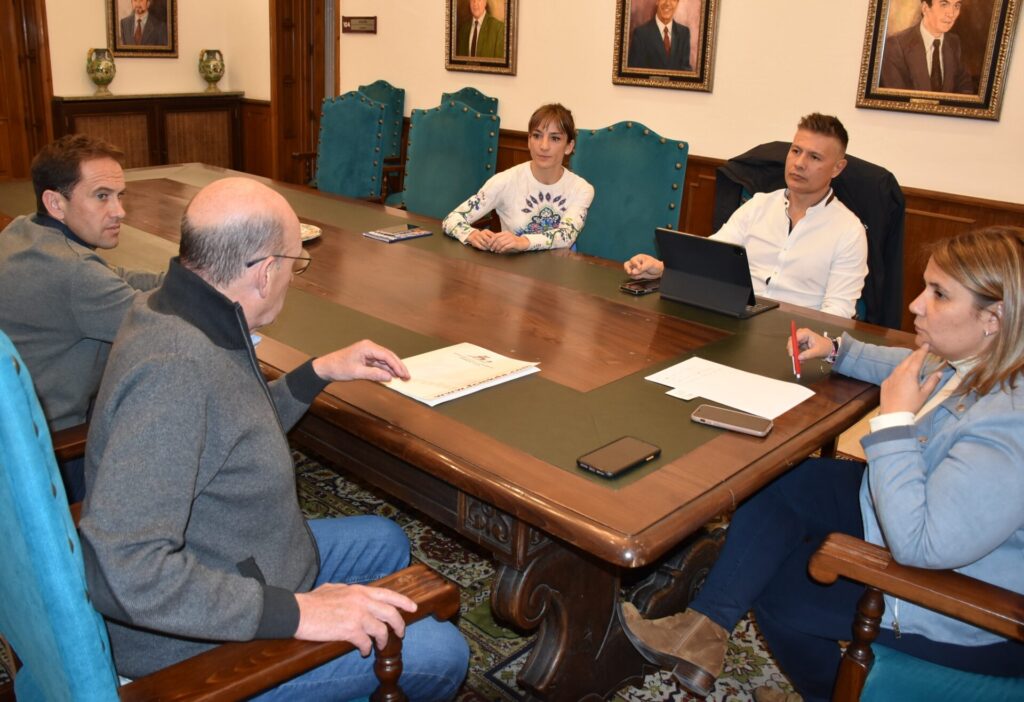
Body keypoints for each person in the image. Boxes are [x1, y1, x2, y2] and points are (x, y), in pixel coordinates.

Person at [78, 177, 469, 699]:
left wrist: (317, 372)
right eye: (294, 264)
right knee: (442, 654)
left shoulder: (178, 308)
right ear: (264, 273)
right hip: (188, 643)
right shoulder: (174, 373)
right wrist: (300, 612)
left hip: (238, 555)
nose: (293, 277)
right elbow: (126, 570)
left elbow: (233, 434)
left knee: (385, 539)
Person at [619, 226, 1024, 702]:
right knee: (787, 480)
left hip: (960, 607)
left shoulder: (1011, 423)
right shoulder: (983, 359)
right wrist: (838, 350)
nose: (916, 304)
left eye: (938, 294)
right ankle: (702, 630)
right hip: (917, 504)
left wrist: (893, 419)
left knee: (780, 588)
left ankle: (827, 694)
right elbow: (911, 365)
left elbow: (920, 545)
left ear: (993, 318)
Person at [0, 134, 164, 501]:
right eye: (102, 196)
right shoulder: (73, 275)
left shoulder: (25, 231)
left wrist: (186, 274)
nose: (119, 211)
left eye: (120, 196)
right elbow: (163, 328)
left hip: (12, 430)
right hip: (52, 453)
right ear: (55, 203)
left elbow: (113, 277)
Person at [624, 113, 868, 318]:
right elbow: (709, 256)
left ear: (838, 168)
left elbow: (838, 312)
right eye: (795, 151)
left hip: (795, 334)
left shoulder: (848, 230)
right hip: (738, 320)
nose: (799, 163)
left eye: (814, 157)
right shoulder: (759, 205)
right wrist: (663, 268)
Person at [442, 103, 594, 254]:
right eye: (537, 136)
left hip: (559, 273)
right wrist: (471, 234)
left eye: (555, 138)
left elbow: (566, 235)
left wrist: (522, 241)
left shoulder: (581, 189)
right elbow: (452, 219)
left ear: (569, 146)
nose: (544, 146)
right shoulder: (503, 181)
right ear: (528, 140)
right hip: (513, 272)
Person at [879, 0, 974, 93]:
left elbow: (965, 86)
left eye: (956, 6)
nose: (951, 14)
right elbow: (896, 98)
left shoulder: (954, 42)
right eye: (944, 4)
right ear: (925, 8)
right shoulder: (895, 46)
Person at [627, 0, 691, 71]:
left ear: (677, 3)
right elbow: (634, 74)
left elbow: (685, 71)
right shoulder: (640, 34)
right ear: (657, 1)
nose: (667, 3)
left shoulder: (684, 33)